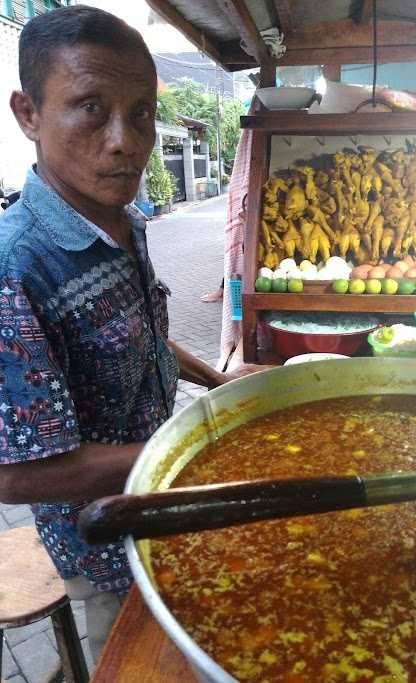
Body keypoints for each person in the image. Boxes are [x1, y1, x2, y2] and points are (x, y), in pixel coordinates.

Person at [0, 6, 267, 664]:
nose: (125, 140)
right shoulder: (17, 268)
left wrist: (218, 380)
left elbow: (141, 335)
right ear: (28, 114)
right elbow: (16, 473)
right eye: (90, 108)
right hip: (102, 544)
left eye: (142, 112)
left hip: (163, 502)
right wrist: (195, 441)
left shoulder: (125, 220)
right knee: (140, 662)